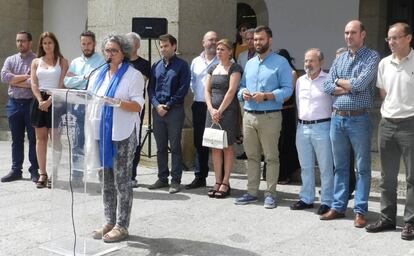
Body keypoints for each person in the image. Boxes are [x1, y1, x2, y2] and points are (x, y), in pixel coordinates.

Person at [320, 20, 380, 228]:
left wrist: (340, 82)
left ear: (363, 34)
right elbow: (326, 86)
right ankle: (338, 206)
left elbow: (361, 84)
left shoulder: (372, 57)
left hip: (359, 118)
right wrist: (344, 85)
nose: (348, 36)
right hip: (337, 118)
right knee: (341, 166)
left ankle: (360, 210)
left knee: (362, 167)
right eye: (346, 32)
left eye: (353, 32)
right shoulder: (341, 58)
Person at [90, 34, 145, 243]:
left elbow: (138, 105)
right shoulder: (99, 74)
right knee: (105, 180)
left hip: (122, 133)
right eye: (107, 50)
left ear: (124, 53)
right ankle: (109, 220)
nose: (110, 54)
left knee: (122, 181)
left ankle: (122, 225)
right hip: (100, 132)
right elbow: (89, 97)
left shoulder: (134, 75)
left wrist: (117, 102)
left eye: (114, 51)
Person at [235, 25, 293, 209]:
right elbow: (241, 85)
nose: (257, 42)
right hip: (249, 115)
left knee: (271, 157)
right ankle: (252, 192)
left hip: (270, 117)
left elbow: (287, 90)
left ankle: (270, 194)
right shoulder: (250, 63)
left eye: (261, 39)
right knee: (252, 156)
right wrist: (243, 92)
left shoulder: (281, 62)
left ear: (270, 40)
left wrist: (267, 95)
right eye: (255, 39)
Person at [366, 22, 414, 240]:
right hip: (387, 124)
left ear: (408, 38)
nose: (391, 42)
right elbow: (384, 93)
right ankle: (387, 218)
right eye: (389, 38)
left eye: (395, 38)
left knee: (412, 178)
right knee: (387, 177)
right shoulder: (384, 63)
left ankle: (410, 223)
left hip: (410, 124)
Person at [290, 48, 334, 215]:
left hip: (323, 127)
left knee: (325, 166)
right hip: (302, 127)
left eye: (312, 60)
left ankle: (327, 201)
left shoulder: (328, 80)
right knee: (305, 166)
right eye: (306, 61)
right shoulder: (300, 80)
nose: (308, 64)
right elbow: (298, 104)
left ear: (321, 62)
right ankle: (306, 198)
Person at [148, 34, 190, 194]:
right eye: (161, 46)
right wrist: (157, 105)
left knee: (175, 146)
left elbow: (183, 89)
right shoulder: (156, 65)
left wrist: (168, 105)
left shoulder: (182, 66)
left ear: (174, 46)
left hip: (174, 111)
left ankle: (175, 180)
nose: (163, 49)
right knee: (160, 147)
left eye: (166, 46)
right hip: (158, 111)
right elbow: (150, 89)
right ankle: (162, 177)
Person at [64, 30, 105, 186]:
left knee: (96, 141)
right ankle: (77, 175)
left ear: (94, 44)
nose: (86, 47)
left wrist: (82, 81)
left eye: (89, 43)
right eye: (83, 44)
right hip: (78, 106)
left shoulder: (101, 62)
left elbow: (96, 84)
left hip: (95, 106)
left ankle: (102, 175)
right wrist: (83, 78)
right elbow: (67, 82)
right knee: (77, 141)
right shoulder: (75, 62)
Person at [204, 39, 242, 198]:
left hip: (228, 112)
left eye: (222, 49)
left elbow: (232, 91)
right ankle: (217, 181)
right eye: (217, 49)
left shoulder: (235, 68)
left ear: (229, 52)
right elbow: (207, 90)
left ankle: (226, 182)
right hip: (212, 112)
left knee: (227, 147)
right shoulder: (213, 68)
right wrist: (211, 109)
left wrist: (219, 110)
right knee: (215, 146)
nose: (218, 51)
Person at [30, 32, 68, 189]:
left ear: (55, 44)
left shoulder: (63, 61)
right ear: (41, 45)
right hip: (39, 101)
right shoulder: (35, 62)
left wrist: (51, 100)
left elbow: (62, 83)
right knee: (41, 139)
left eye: (50, 43)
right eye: (44, 43)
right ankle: (43, 173)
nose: (47, 46)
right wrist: (40, 100)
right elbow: (33, 83)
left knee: (56, 139)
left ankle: (55, 173)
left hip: (56, 99)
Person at [1, 31, 39, 183]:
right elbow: (4, 77)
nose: (20, 44)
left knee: (33, 139)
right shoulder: (10, 60)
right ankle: (16, 170)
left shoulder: (37, 60)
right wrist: (26, 77)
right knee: (16, 139)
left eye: (23, 41)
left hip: (31, 104)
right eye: (18, 41)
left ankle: (34, 171)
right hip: (14, 104)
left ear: (30, 42)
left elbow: (35, 82)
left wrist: (14, 80)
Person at [185, 31, 218, 189]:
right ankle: (200, 176)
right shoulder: (196, 61)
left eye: (215, 40)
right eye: (210, 40)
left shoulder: (224, 60)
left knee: (219, 142)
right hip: (199, 104)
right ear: (203, 42)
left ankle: (222, 180)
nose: (213, 42)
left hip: (217, 106)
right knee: (200, 141)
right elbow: (192, 81)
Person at [125, 32, 151, 188]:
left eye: (130, 42)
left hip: (136, 108)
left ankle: (132, 174)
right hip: (120, 106)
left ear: (137, 45)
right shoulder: (121, 61)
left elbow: (142, 80)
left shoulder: (144, 64)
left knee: (134, 140)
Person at [276, 48, 300, 184]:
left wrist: (269, 97)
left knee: (286, 143)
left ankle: (285, 174)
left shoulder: (292, 73)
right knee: (276, 143)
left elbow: (287, 95)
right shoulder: (276, 72)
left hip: (287, 111)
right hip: (276, 110)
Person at [235, 28, 256, 160]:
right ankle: (246, 150)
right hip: (244, 95)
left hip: (258, 96)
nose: (249, 42)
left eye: (252, 39)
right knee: (244, 124)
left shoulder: (262, 56)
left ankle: (259, 152)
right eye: (247, 39)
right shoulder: (242, 56)